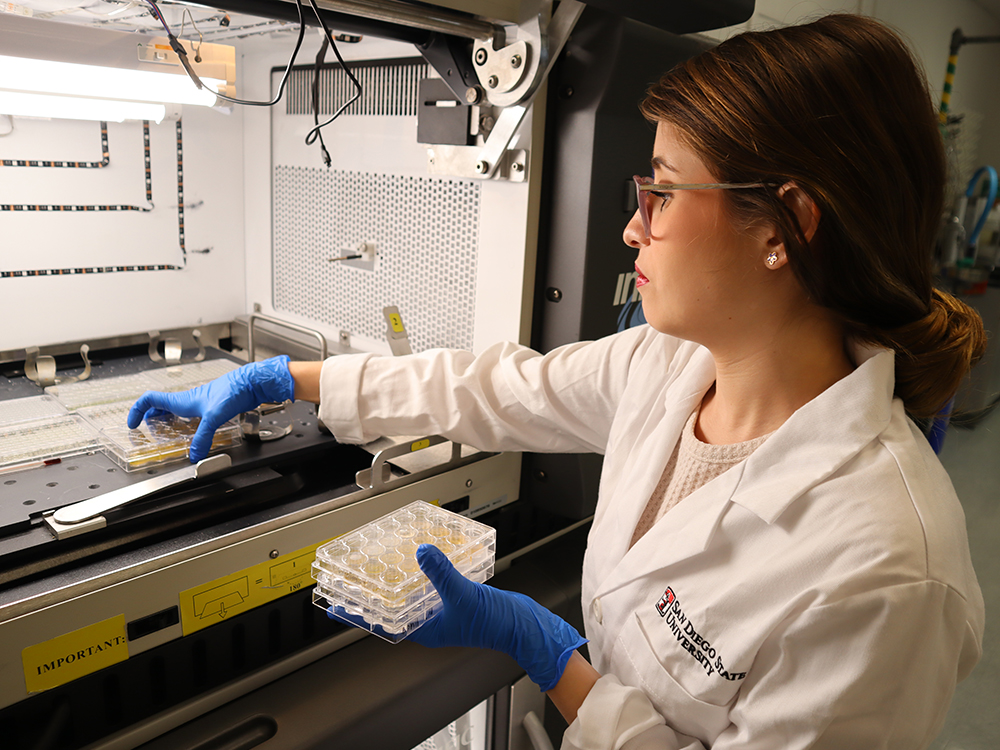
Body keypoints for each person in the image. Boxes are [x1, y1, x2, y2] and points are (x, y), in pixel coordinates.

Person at [130, 13, 986, 749]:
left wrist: (548, 653)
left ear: (788, 227)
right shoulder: (676, 365)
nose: (629, 227)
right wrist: (292, 379)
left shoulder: (888, 571)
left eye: (662, 196)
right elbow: (500, 389)